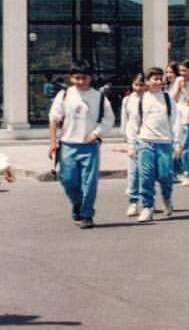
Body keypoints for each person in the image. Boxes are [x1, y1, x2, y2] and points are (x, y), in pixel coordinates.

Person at [48, 60, 115, 229]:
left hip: (89, 146)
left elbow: (109, 119)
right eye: (76, 78)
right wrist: (53, 142)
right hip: (68, 144)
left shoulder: (99, 97)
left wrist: (96, 133)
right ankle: (77, 203)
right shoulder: (64, 95)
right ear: (71, 78)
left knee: (89, 182)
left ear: (90, 78)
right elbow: (54, 118)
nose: (80, 81)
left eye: (84, 78)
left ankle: (86, 214)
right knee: (68, 180)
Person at [127, 67, 179, 223]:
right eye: (154, 79)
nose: (158, 81)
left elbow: (175, 122)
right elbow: (133, 123)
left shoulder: (168, 99)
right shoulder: (140, 100)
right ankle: (147, 207)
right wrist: (131, 145)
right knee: (146, 176)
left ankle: (167, 198)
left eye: (160, 78)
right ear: (147, 82)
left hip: (164, 143)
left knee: (165, 175)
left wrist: (177, 143)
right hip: (145, 142)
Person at [119, 73, 145, 217]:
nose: (138, 88)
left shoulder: (150, 100)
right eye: (136, 85)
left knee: (146, 173)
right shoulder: (127, 100)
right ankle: (133, 202)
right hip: (133, 140)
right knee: (133, 173)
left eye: (141, 85)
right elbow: (125, 121)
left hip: (148, 139)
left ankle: (147, 201)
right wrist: (127, 140)